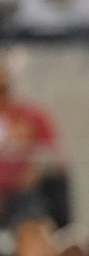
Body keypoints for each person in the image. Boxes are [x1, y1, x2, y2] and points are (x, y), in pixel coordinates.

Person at [0, 59, 64, 222]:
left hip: (25, 194)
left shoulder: (32, 114)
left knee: (31, 207)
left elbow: (52, 157)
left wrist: (33, 170)